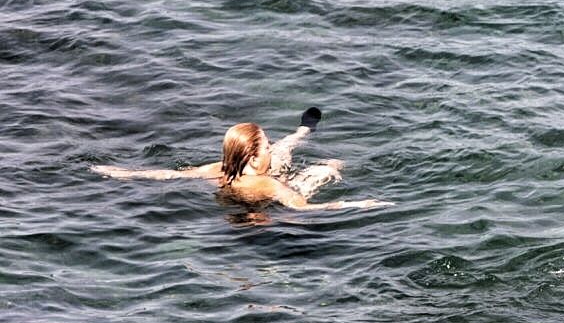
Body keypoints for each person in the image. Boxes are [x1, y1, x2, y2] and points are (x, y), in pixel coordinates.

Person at [92, 108, 388, 212]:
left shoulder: (218, 169)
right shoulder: (267, 185)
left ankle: (302, 131)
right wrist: (357, 205)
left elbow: (167, 175)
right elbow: (306, 210)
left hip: (246, 186)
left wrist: (117, 172)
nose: (269, 148)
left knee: (285, 151)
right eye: (265, 146)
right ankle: (303, 132)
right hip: (271, 206)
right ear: (251, 155)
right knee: (328, 166)